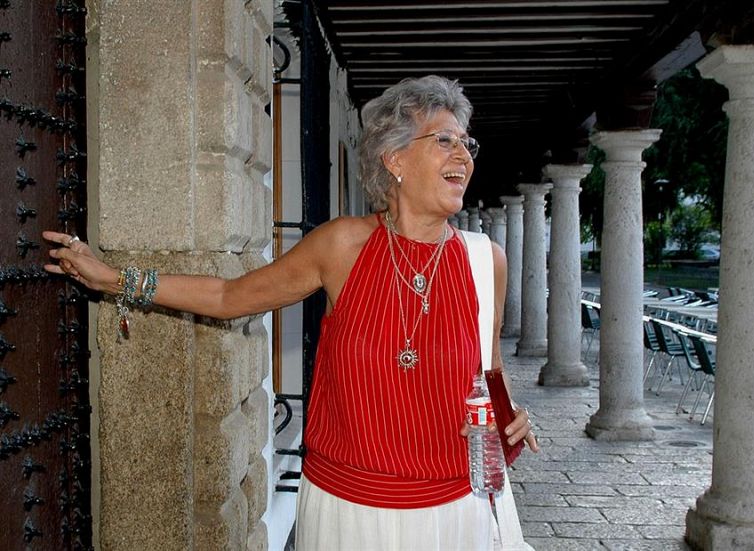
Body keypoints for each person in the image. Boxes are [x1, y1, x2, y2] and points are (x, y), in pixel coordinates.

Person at [43, 75, 539, 550]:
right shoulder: (343, 245)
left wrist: (510, 418)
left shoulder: (484, 260)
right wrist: (115, 279)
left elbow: (489, 373)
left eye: (467, 145)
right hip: (348, 512)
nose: (463, 156)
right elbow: (227, 297)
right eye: (446, 141)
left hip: (451, 511)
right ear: (396, 160)